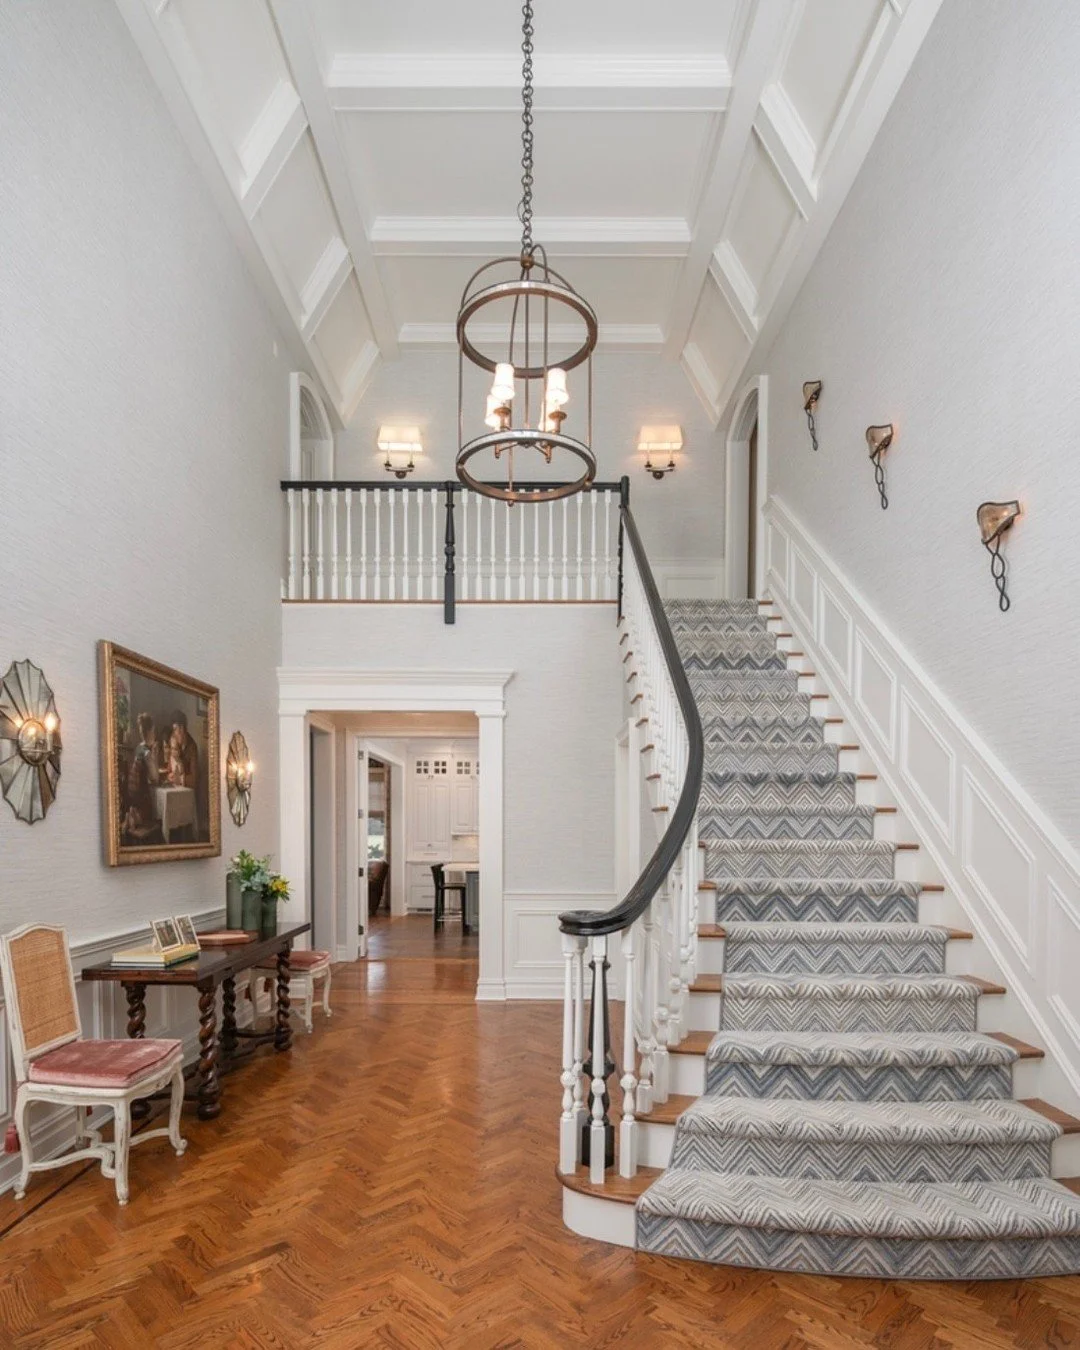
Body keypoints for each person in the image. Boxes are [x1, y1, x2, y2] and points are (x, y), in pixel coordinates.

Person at [166, 710, 198, 788]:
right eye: (174, 730)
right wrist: (170, 776)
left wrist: (180, 779)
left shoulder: (192, 747)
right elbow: (169, 770)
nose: (175, 733)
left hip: (188, 791)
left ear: (183, 728)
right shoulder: (173, 742)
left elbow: (194, 780)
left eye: (176, 729)